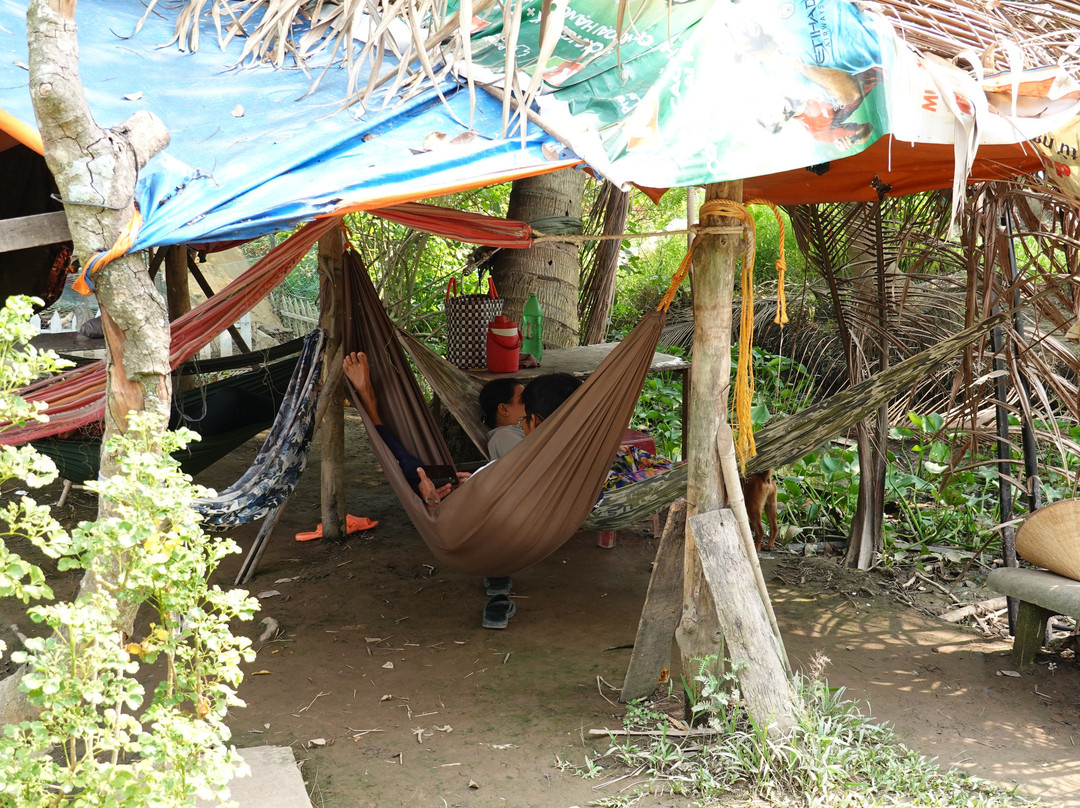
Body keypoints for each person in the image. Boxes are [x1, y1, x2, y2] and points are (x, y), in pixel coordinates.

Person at [479, 377, 525, 460]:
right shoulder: (504, 436)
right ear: (504, 409)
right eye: (523, 401)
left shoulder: (514, 433)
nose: (531, 405)